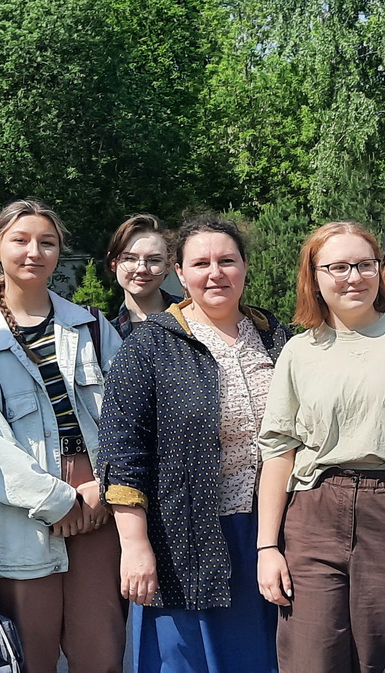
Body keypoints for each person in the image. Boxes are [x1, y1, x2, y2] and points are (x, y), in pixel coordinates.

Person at [255, 221, 385, 673]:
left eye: (364, 265)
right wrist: (267, 547)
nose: (354, 277)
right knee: (310, 658)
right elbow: (278, 454)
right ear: (315, 277)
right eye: (339, 267)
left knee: (384, 657)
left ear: (380, 270)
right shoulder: (298, 351)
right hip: (313, 514)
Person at [96, 214, 288, 673]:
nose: (215, 273)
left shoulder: (275, 337)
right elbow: (122, 451)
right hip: (185, 538)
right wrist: (135, 545)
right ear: (180, 273)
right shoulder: (150, 345)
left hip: (272, 535)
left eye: (227, 261)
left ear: (245, 266)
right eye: (201, 263)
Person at [0, 199, 126, 673]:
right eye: (21, 240)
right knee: (30, 654)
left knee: (101, 652)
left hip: (100, 503)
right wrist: (59, 501)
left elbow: (129, 417)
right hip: (25, 515)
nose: (34, 252)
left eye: (47, 242)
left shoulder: (92, 327)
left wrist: (106, 487)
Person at [106, 214, 179, 339]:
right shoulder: (106, 335)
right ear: (113, 264)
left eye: (154, 260)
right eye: (130, 258)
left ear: (168, 265)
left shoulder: (195, 318)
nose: (142, 269)